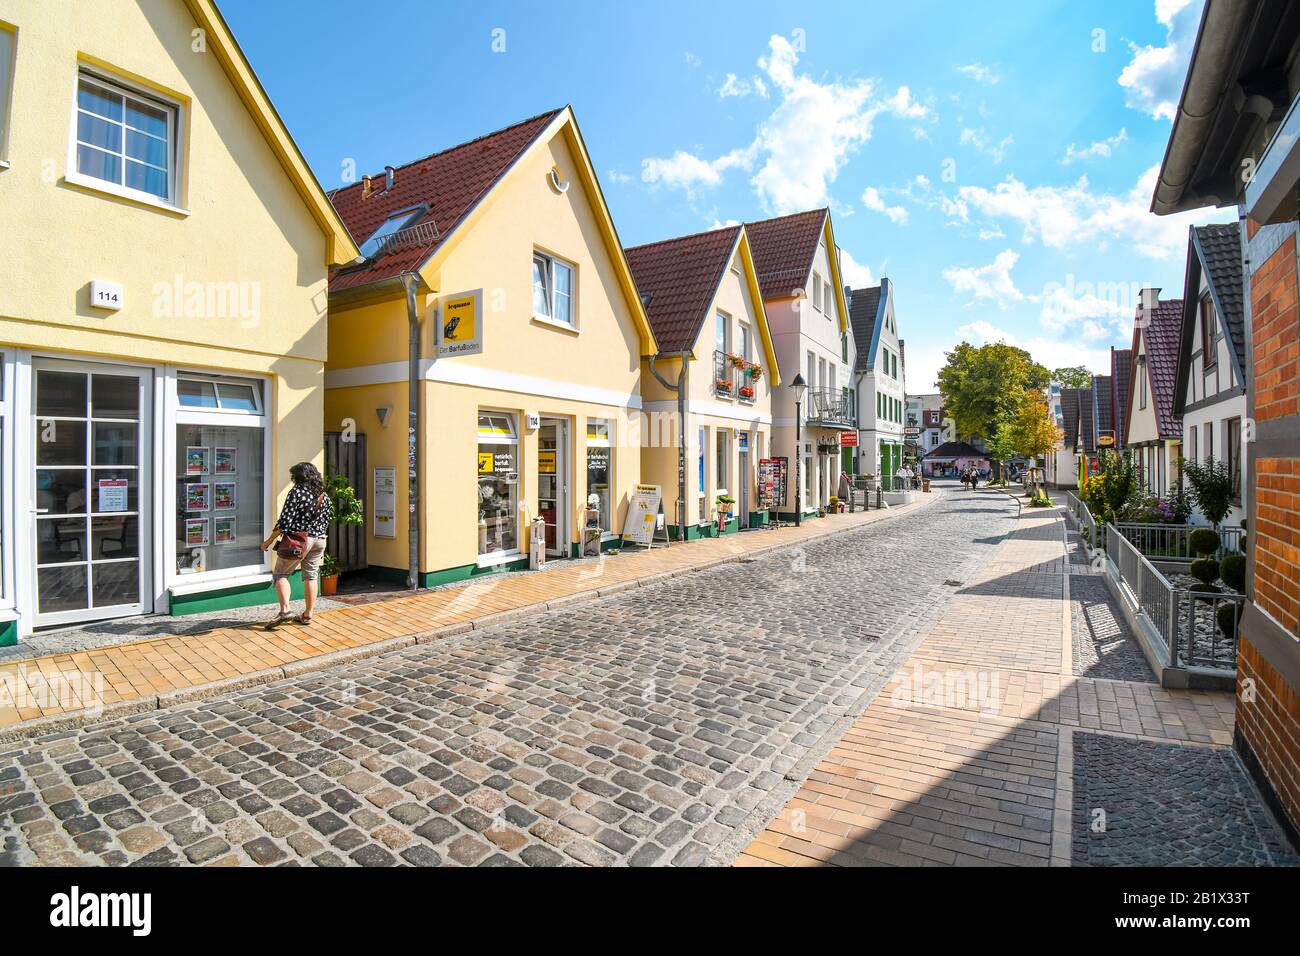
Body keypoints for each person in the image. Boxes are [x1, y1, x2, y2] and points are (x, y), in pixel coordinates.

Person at [261, 461, 333, 628]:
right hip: (320, 539)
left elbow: (284, 522)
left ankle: (285, 611)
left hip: (300, 540)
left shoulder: (297, 492)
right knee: (311, 576)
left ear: (298, 477)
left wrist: (269, 540)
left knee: (281, 574)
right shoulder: (324, 495)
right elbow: (328, 518)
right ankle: (308, 615)